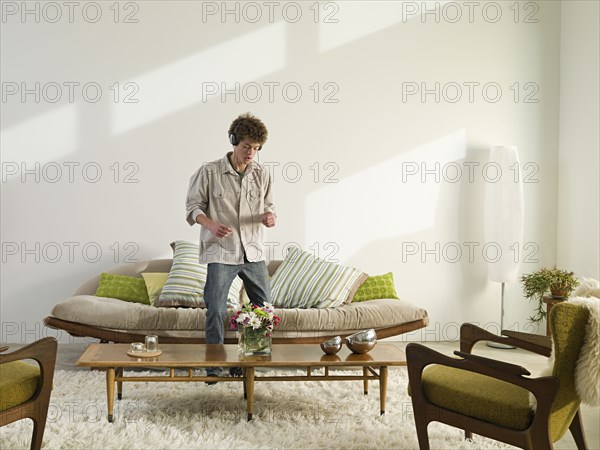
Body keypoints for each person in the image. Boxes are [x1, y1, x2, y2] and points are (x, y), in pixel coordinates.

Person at [186, 113, 276, 382]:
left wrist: (270, 217)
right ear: (234, 141)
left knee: (263, 307)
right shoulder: (209, 171)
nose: (251, 153)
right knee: (215, 308)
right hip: (221, 251)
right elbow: (193, 208)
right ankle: (213, 365)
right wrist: (211, 225)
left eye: (256, 148)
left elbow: (270, 207)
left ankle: (248, 360)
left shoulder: (262, 174)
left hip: (253, 251)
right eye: (247, 146)